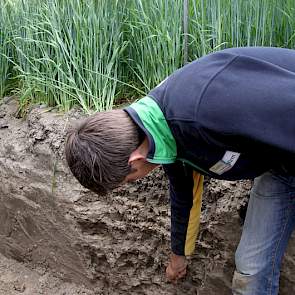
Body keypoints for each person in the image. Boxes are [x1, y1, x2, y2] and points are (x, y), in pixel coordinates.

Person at [65, 47, 295, 295]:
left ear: (135, 159)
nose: (134, 181)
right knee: (251, 271)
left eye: (129, 180)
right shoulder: (159, 130)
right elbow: (184, 189)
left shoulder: (205, 114)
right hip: (281, 164)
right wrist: (179, 255)